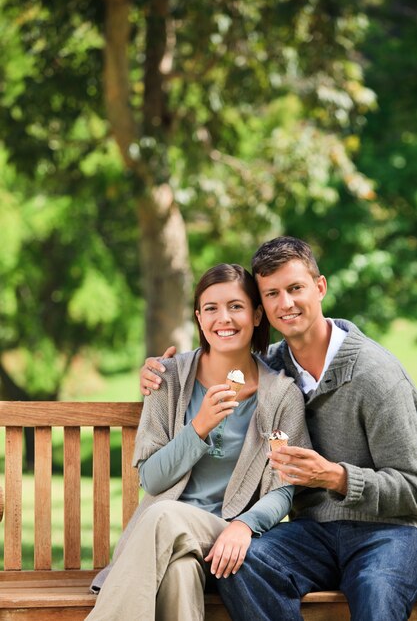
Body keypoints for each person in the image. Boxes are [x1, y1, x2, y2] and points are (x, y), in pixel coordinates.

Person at [141, 237, 417, 621]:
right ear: (262, 307)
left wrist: (337, 478)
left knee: (376, 590)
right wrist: (164, 370)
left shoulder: (378, 377)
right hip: (313, 533)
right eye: (272, 293)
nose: (285, 303)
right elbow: (214, 358)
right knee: (243, 564)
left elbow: (413, 487)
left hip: (387, 533)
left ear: (320, 287)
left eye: (295, 288)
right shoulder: (273, 369)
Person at [87, 263, 310, 621]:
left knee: (162, 516)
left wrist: (244, 526)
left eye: (236, 306)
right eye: (211, 308)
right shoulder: (168, 379)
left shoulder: (281, 396)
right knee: (178, 573)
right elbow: (152, 479)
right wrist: (199, 427)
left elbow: (283, 489)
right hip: (169, 543)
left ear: (256, 315)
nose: (224, 318)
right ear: (199, 318)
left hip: (226, 536)